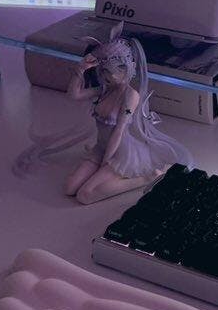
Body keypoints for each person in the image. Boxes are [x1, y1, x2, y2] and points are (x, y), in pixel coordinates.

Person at [14, 25, 191, 204]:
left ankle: (147, 178)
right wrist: (80, 69)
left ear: (127, 69)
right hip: (100, 148)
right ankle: (108, 172)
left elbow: (119, 130)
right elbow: (74, 95)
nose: (109, 76)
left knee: (85, 195)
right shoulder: (104, 90)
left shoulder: (130, 96)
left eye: (114, 71)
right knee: (69, 188)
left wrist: (105, 162)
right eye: (105, 70)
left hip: (119, 151)